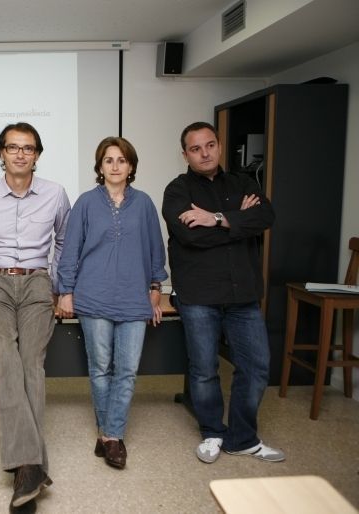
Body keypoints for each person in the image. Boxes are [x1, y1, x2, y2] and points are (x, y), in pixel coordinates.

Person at [161, 121, 285, 464]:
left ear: (218, 145)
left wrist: (215, 219)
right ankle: (213, 432)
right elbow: (190, 236)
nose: (205, 153)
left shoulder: (244, 182)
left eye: (210, 145)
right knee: (204, 369)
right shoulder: (177, 190)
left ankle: (243, 438)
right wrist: (237, 221)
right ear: (185, 153)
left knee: (257, 367)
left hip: (243, 293)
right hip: (198, 294)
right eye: (196, 148)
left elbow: (266, 216)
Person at [0, 122, 70, 510]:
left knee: (31, 363)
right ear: (1, 154)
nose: (21, 154)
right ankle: (31, 465)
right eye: (13, 148)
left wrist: (59, 285)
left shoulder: (57, 195)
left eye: (28, 148)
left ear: (37, 155)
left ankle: (25, 467)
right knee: (6, 360)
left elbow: (64, 240)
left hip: (37, 284)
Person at [56, 136, 167, 469]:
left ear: (131, 166)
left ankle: (108, 434)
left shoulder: (144, 203)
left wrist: (155, 289)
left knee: (128, 370)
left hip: (134, 298)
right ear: (100, 166)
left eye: (121, 160)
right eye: (109, 160)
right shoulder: (86, 203)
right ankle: (113, 437)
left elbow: (155, 250)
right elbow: (70, 249)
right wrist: (66, 291)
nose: (115, 166)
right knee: (101, 368)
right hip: (93, 296)